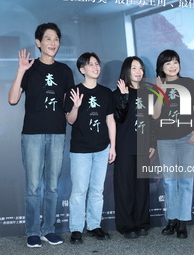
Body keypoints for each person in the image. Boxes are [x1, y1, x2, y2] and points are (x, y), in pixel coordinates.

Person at [8, 23, 74, 248]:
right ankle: (33, 231)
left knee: (53, 186)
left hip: (57, 134)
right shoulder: (30, 68)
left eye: (56, 39)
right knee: (34, 186)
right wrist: (20, 71)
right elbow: (13, 99)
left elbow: (68, 109)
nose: (53, 43)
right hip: (33, 134)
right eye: (48, 39)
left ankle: (48, 230)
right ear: (38, 43)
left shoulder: (65, 71)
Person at [64, 52, 116, 244]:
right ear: (82, 69)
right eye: (91, 64)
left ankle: (94, 225)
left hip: (102, 148)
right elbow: (70, 120)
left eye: (97, 64)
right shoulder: (75, 92)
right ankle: (76, 229)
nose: (95, 67)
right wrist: (76, 106)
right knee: (78, 190)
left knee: (97, 190)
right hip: (81, 150)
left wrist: (113, 147)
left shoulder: (106, 93)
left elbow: (110, 120)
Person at [152, 49, 194, 239]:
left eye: (175, 62)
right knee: (168, 181)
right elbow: (156, 115)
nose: (173, 66)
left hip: (186, 138)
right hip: (165, 140)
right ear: (161, 67)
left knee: (185, 181)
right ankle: (171, 219)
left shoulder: (188, 82)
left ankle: (182, 221)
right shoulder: (157, 86)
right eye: (168, 63)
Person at [113, 56, 156, 239]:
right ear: (126, 71)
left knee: (142, 187)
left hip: (143, 146)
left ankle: (142, 222)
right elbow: (118, 118)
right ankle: (126, 225)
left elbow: (153, 120)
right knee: (125, 188)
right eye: (134, 68)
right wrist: (123, 97)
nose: (138, 71)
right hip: (124, 146)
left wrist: (153, 143)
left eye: (141, 68)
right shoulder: (117, 93)